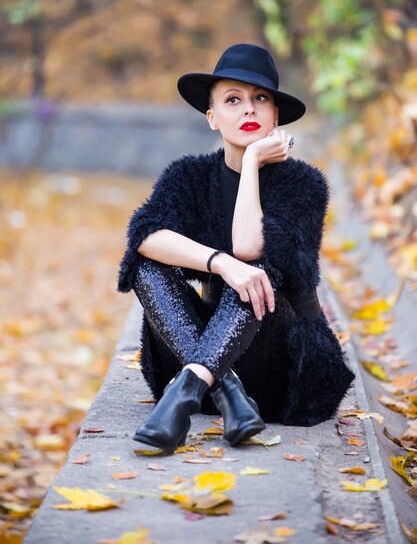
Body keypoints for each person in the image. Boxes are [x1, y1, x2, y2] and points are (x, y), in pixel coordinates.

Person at [117, 43, 355, 452]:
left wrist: (250, 166)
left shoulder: (304, 184)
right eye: (233, 100)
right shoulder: (188, 175)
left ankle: (186, 389)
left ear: (275, 116)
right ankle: (224, 389)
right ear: (212, 118)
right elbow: (145, 237)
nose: (248, 110)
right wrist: (217, 262)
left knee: (260, 274)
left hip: (282, 366)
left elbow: (249, 248)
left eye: (260, 99)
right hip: (204, 346)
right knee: (147, 267)